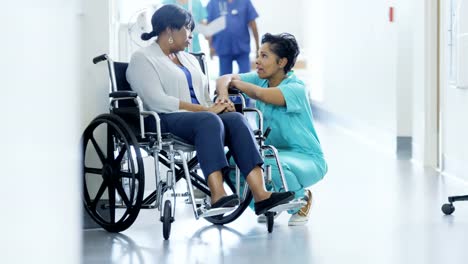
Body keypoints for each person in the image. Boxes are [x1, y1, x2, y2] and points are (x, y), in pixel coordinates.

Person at [126, 4, 294, 215]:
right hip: (163, 119)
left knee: (235, 119)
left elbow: (205, 96)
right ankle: (217, 195)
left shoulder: (188, 58)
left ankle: (261, 196)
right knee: (209, 120)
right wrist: (207, 110)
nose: (191, 35)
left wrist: (220, 105)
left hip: (200, 119)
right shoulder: (143, 58)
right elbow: (156, 100)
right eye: (187, 28)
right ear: (169, 30)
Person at [215, 33, 328, 226]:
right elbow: (224, 78)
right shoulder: (261, 78)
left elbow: (262, 95)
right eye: (258, 55)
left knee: (268, 164)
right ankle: (266, 203)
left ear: (282, 62)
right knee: (231, 163)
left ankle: (301, 200)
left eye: (264, 56)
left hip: (307, 157)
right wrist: (224, 94)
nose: (257, 61)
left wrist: (238, 83)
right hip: (274, 154)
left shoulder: (296, 88)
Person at [206, 0, 259, 75]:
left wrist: (257, 47)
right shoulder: (214, 3)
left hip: (242, 47)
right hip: (223, 47)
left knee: (246, 77)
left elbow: (253, 25)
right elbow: (210, 26)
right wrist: (210, 46)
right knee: (224, 78)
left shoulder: (245, 2)